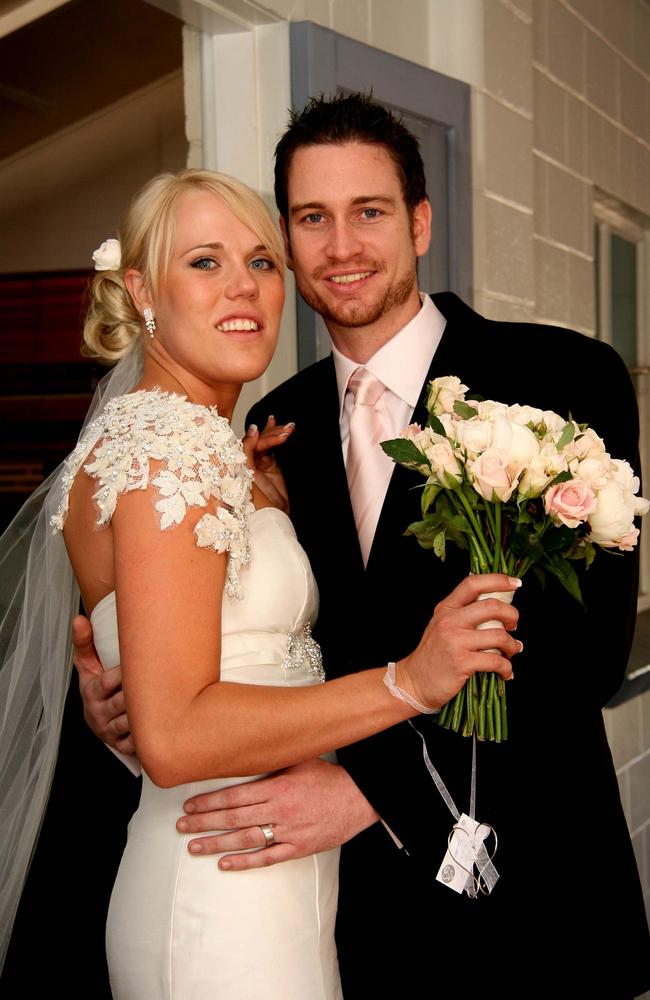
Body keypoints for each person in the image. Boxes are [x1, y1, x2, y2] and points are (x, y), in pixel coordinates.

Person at [78, 97, 650, 997]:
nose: (341, 246)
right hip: (351, 925)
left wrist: (373, 792)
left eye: (368, 212)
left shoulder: (566, 376)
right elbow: (221, 654)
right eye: (311, 219)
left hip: (536, 907)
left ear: (419, 223)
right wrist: (120, 696)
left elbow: (586, 658)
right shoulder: (267, 432)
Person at [0, 166, 522, 999]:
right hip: (218, 899)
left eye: (262, 261)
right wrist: (408, 684)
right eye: (204, 262)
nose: (243, 287)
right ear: (140, 288)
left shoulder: (215, 444)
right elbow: (171, 737)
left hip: (271, 885)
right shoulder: (168, 450)